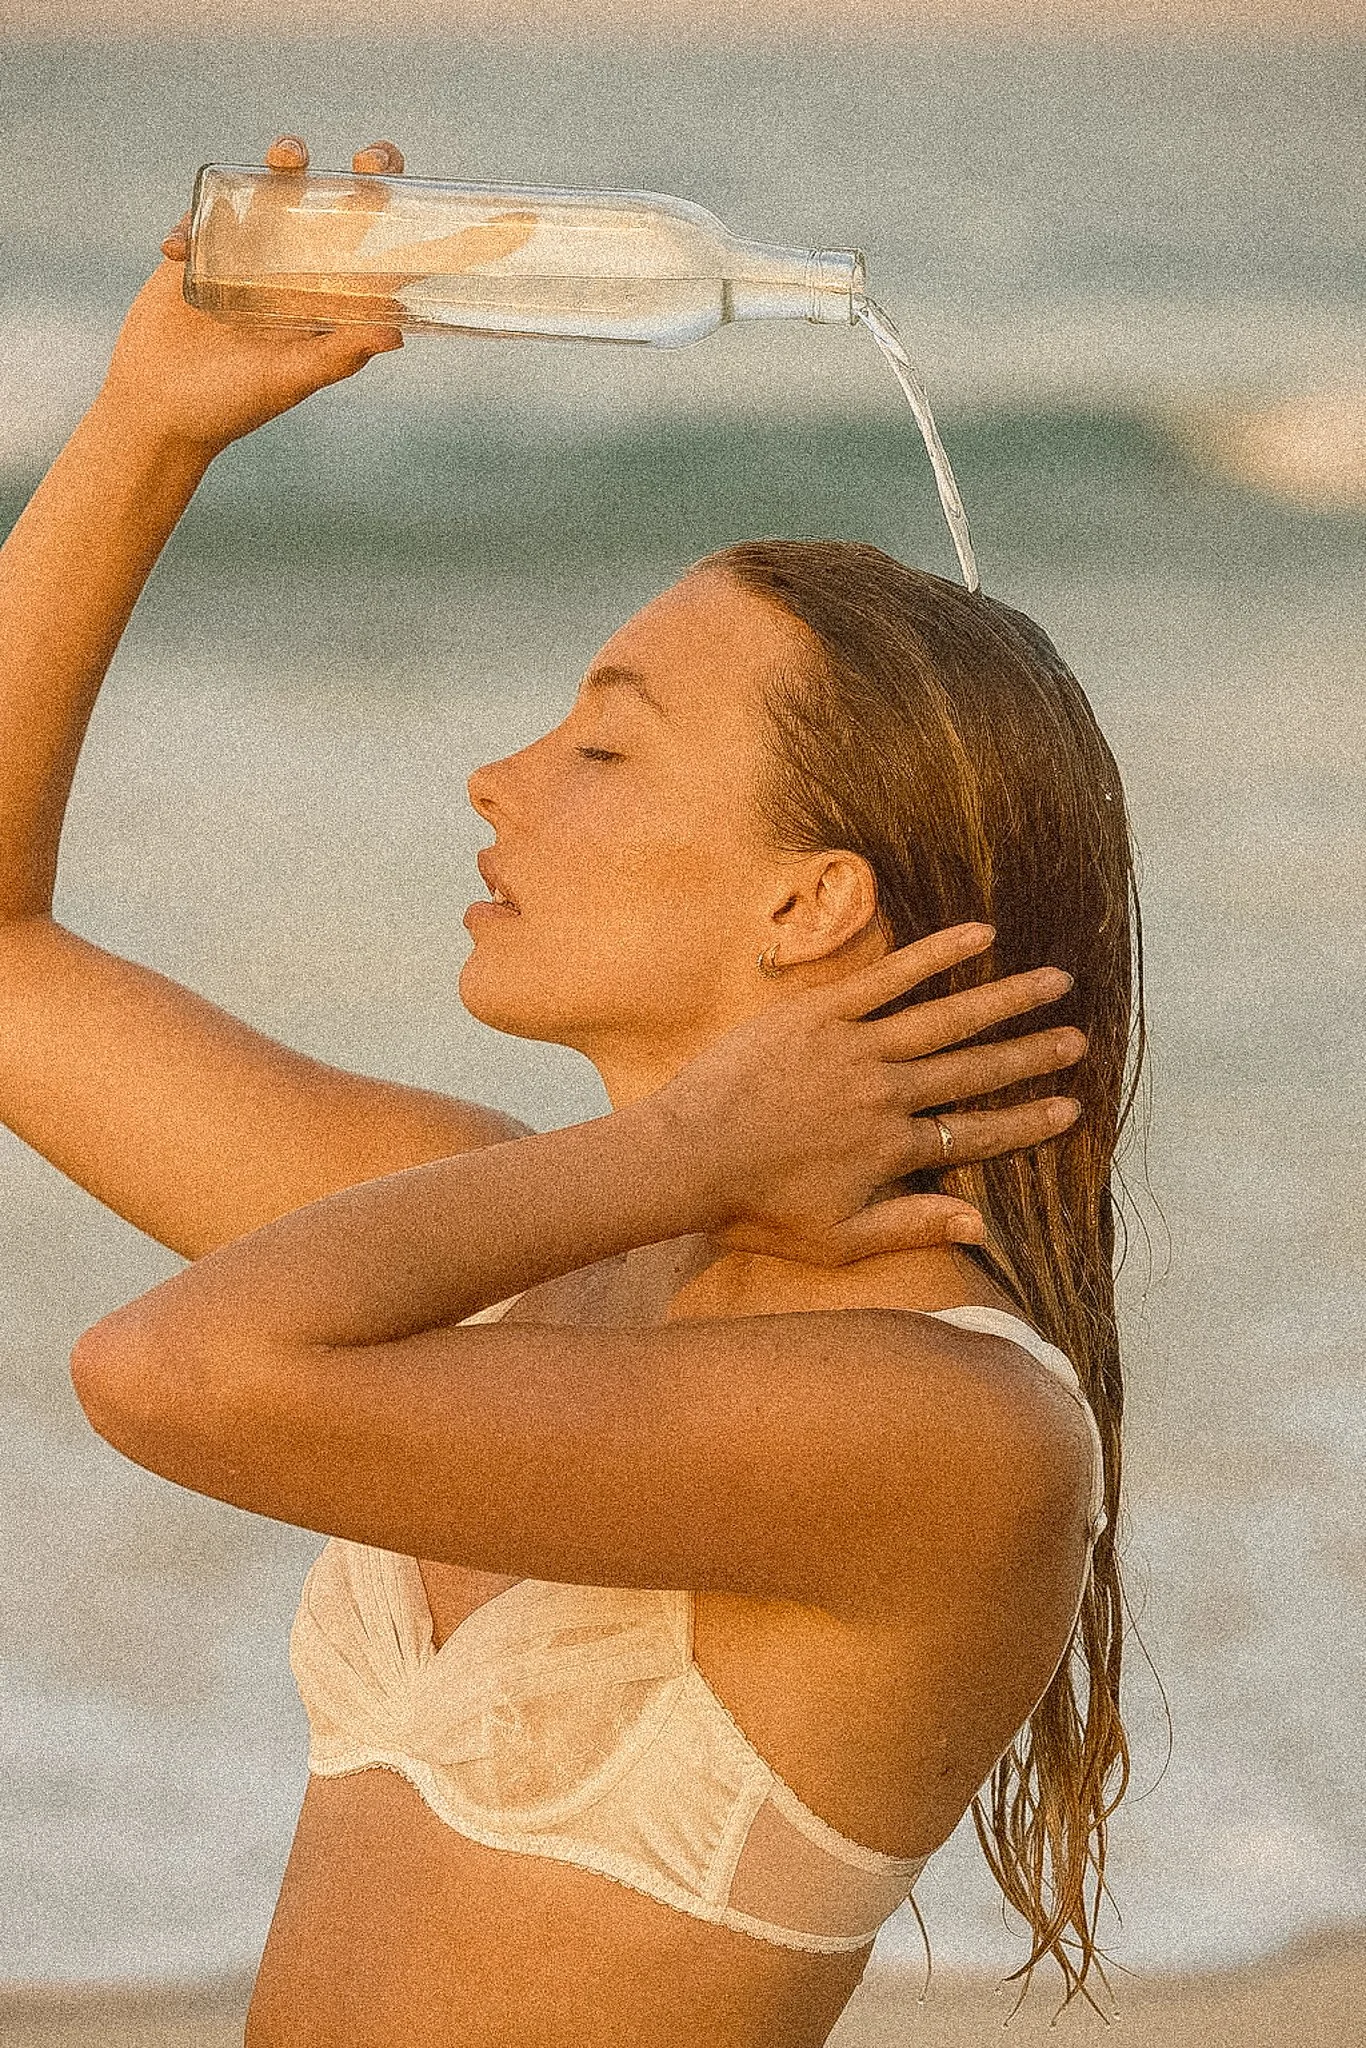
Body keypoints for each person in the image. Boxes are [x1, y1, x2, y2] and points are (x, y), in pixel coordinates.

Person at [0, 133, 1140, 2048]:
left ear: (811, 902)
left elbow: (170, 1373)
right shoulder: (514, 1232)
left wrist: (682, 1148)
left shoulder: (952, 1432)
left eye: (605, 743)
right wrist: (148, 430)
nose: (499, 776)